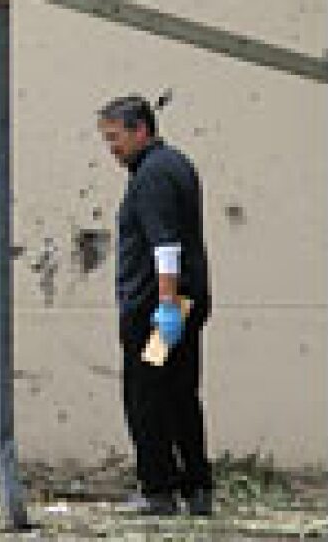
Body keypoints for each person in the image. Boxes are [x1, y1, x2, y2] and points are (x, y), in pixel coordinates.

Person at [96, 95, 214, 516]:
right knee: (181, 394)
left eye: (115, 137)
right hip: (183, 301)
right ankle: (198, 487)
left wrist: (163, 306)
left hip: (158, 310)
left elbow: (165, 246)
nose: (111, 148)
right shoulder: (176, 164)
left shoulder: (151, 177)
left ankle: (159, 490)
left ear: (140, 130)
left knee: (146, 397)